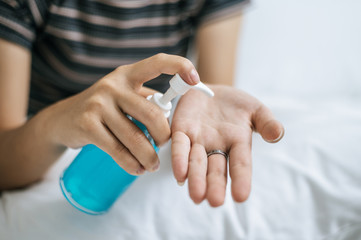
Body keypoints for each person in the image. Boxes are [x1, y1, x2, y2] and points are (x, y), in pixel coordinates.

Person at [0, 0, 284, 207]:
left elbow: (210, 91)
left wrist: (210, 104)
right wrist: (58, 123)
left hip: (140, 145)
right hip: (37, 150)